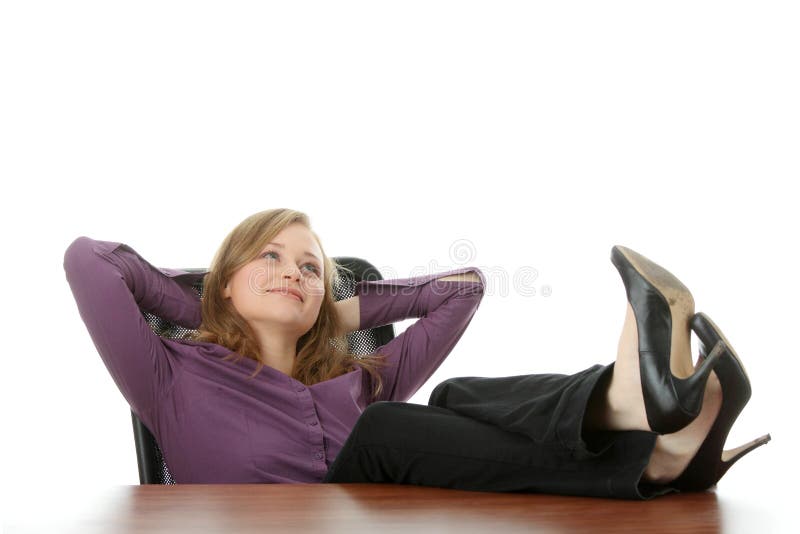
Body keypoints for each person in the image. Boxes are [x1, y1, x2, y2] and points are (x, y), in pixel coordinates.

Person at [63, 208, 770, 499]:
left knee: (458, 397)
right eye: (269, 258)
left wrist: (334, 311)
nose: (294, 273)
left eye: (311, 268)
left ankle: (649, 432)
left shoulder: (356, 376)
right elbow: (89, 259)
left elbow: (461, 290)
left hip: (390, 521)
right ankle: (642, 427)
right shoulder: (168, 374)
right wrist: (207, 307)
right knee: (386, 427)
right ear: (227, 276)